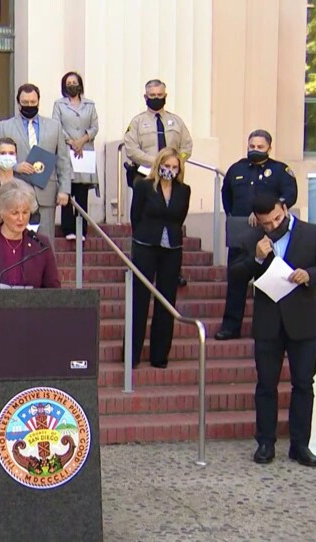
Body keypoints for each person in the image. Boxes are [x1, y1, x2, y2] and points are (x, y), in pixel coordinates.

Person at [230, 191, 316, 467]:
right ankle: (265, 443)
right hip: (268, 322)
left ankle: (300, 445)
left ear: (284, 209)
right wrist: (256, 260)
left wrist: (311, 275)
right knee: (266, 384)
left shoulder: (313, 233)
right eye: (265, 223)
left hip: (304, 321)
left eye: (276, 220)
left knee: (304, 384)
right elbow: (234, 274)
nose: (271, 226)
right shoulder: (251, 238)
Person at [215, 129, 298, 341]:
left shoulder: (280, 171)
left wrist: (264, 212)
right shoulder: (237, 169)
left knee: (267, 281)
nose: (255, 150)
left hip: (268, 236)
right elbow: (227, 196)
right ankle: (231, 327)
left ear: (269, 148)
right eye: (252, 146)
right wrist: (237, 217)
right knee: (236, 281)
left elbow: (290, 195)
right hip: (241, 235)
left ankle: (266, 329)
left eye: (260, 147)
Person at [127, 148, 191, 368]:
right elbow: (135, 215)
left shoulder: (184, 190)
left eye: (174, 167)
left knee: (166, 301)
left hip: (172, 248)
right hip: (146, 245)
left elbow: (179, 217)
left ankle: (159, 355)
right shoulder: (143, 186)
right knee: (140, 299)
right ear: (159, 165)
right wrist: (142, 235)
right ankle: (132, 354)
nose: (170, 171)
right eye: (167, 166)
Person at [124, 79, 192, 286]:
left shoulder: (176, 122)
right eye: (151, 96)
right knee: (144, 220)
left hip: (172, 177)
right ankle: (139, 260)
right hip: (146, 175)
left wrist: (173, 162)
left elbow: (186, 147)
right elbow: (131, 148)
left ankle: (173, 269)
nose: (156, 99)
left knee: (172, 219)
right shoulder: (137, 122)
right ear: (145, 97)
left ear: (165, 95)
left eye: (159, 95)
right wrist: (156, 163)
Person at [0, 83, 73, 242]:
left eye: (33, 102)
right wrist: (14, 165)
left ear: (38, 102)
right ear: (18, 103)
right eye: (25, 103)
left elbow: (63, 160)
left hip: (46, 191)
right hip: (16, 191)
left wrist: (64, 190)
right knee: (15, 241)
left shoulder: (55, 126)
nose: (29, 106)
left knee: (45, 243)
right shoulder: (6, 126)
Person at [53, 71, 99, 241]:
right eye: (68, 83)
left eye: (75, 82)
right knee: (67, 188)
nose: (72, 85)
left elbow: (95, 126)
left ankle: (82, 230)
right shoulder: (59, 104)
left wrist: (82, 140)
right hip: (66, 150)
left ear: (80, 84)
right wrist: (72, 142)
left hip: (84, 151)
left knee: (82, 192)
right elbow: (56, 125)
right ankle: (68, 228)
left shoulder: (90, 104)